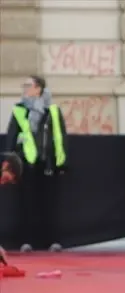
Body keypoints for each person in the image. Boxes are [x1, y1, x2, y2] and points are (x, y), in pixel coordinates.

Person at [6, 75, 66, 253]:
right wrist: (9, 162)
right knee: (26, 204)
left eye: (28, 85)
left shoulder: (52, 110)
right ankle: (26, 241)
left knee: (49, 204)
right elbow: (11, 136)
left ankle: (52, 241)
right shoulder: (19, 110)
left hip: (47, 162)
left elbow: (60, 137)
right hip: (26, 163)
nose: (25, 88)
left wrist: (61, 162)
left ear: (38, 88)